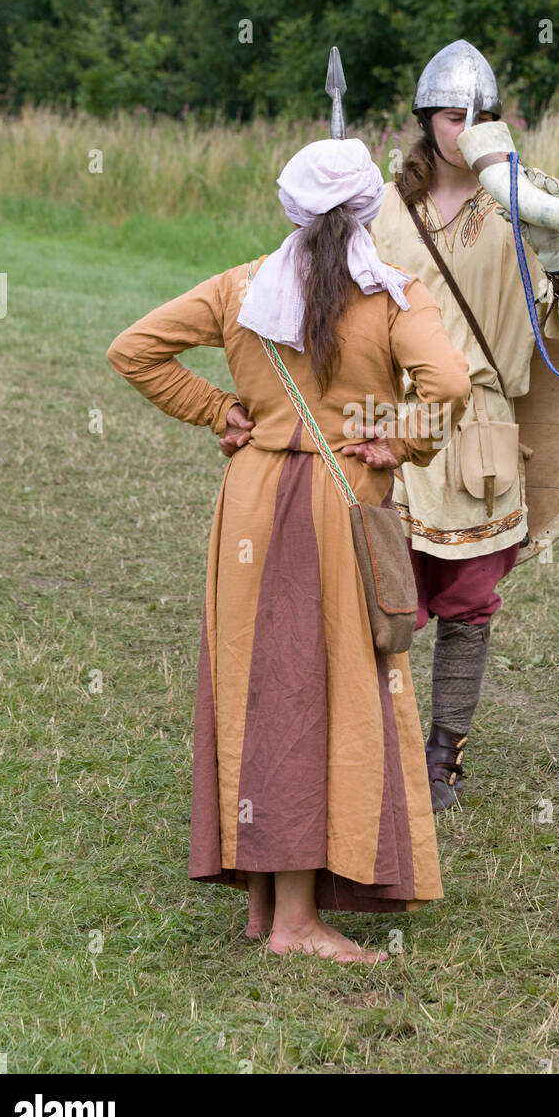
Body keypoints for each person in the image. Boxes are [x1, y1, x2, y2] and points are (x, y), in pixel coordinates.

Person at [106, 137, 471, 963]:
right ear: (365, 213)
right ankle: (297, 927)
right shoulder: (394, 294)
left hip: (252, 505)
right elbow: (449, 384)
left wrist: (216, 409)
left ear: (292, 211)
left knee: (262, 689)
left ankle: (267, 906)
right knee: (315, 695)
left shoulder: (241, 286)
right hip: (335, 510)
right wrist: (398, 437)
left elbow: (133, 348)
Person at [369, 40, 559, 810]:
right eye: (451, 114)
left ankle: (443, 759)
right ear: (425, 120)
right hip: (393, 421)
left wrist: (555, 251)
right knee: (388, 596)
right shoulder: (379, 205)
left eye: (480, 114)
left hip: (479, 427)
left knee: (469, 603)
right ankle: (380, 745)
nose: (465, 127)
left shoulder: (527, 196)